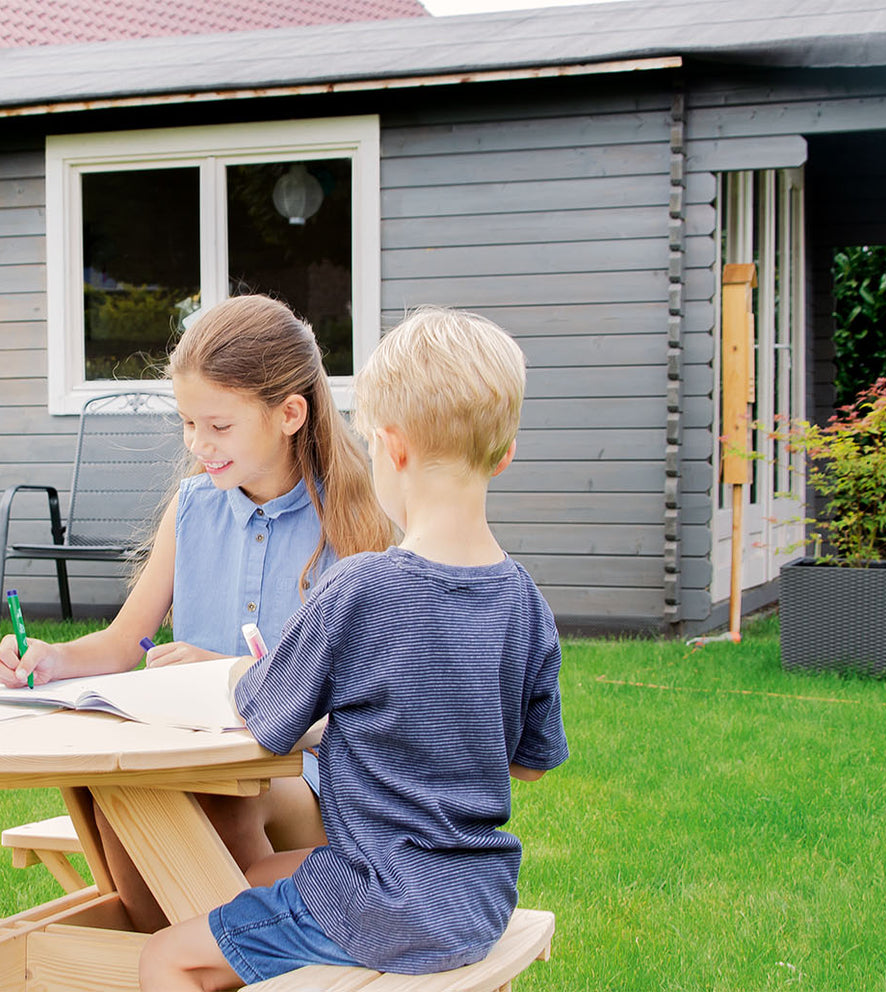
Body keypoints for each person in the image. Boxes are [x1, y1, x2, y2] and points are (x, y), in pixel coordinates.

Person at [138, 306, 570, 990]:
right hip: (476, 895)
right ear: (504, 452)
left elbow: (265, 719)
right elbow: (529, 766)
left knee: (163, 955)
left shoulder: (359, 588)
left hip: (381, 898)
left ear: (391, 448)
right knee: (248, 881)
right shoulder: (523, 601)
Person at [0, 293, 392, 930]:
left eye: (219, 426)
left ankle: (207, 948)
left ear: (289, 414)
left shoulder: (359, 523)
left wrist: (229, 676)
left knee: (214, 806)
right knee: (108, 789)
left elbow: (369, 696)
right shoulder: (194, 508)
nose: (199, 444)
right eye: (187, 423)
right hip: (185, 757)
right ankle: (195, 949)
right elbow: (127, 643)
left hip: (307, 774)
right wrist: (51, 658)